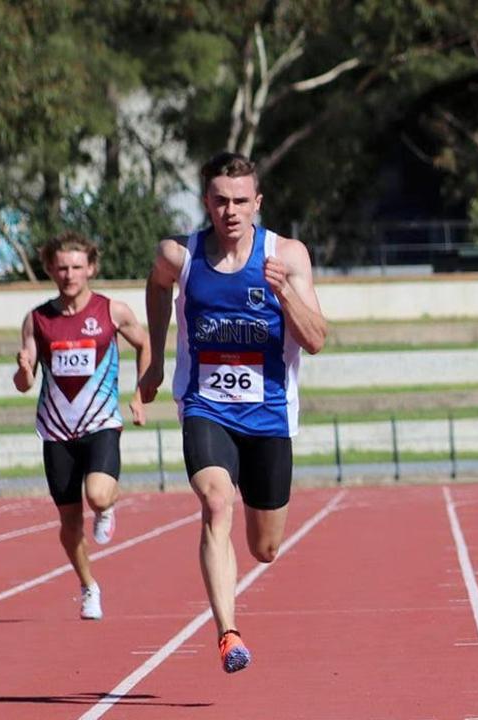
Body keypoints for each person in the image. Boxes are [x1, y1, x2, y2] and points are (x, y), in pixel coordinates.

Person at [139, 152, 327, 674]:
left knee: (264, 548)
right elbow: (156, 285)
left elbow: (316, 340)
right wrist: (153, 357)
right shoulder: (180, 255)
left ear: (257, 203)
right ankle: (228, 632)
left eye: (241, 201)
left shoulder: (286, 255)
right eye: (220, 200)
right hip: (206, 407)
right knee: (216, 504)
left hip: (268, 416)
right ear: (206, 202)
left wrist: (285, 292)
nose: (230, 211)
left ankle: (240, 585)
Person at [13, 231, 150, 620]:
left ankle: (107, 508)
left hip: (101, 422)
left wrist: (140, 394)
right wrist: (23, 371)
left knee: (99, 495)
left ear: (90, 268)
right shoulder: (38, 319)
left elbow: (145, 344)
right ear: (50, 270)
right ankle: (89, 585)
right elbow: (25, 383)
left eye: (77, 267)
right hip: (56, 431)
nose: (69, 274)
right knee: (69, 524)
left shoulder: (112, 311)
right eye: (61, 268)